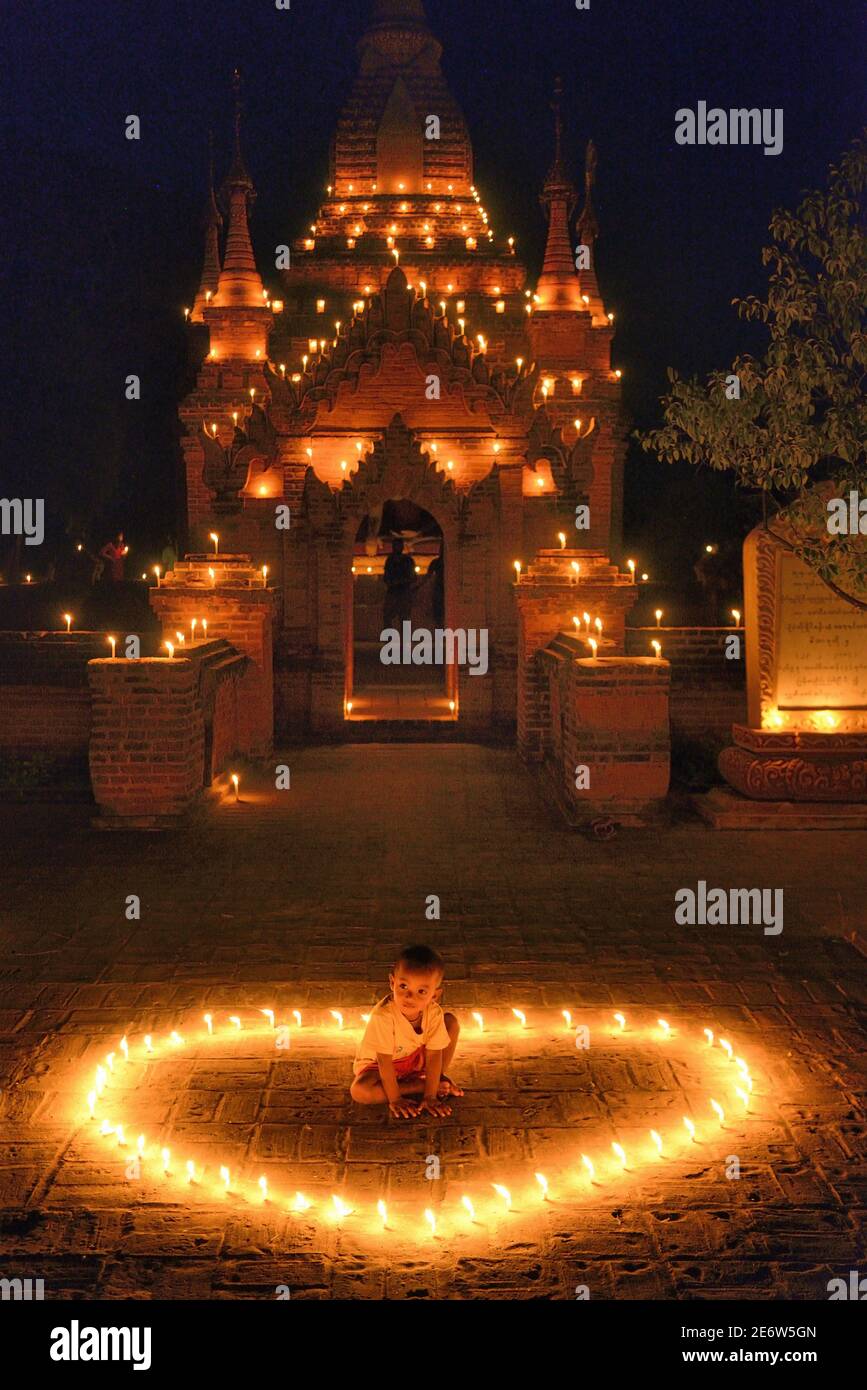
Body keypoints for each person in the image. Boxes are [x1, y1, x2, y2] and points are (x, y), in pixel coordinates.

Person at [350, 945, 462, 1118]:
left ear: (434, 995)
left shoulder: (433, 1012)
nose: (410, 997)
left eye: (421, 991)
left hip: (414, 1058)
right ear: (392, 983)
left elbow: (434, 1055)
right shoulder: (383, 1016)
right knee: (360, 1091)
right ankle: (420, 1085)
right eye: (403, 986)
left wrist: (430, 1097)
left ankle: (435, 1079)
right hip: (380, 1066)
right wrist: (395, 1099)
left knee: (451, 1023)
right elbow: (384, 1062)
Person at [382, 537, 416, 630]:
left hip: (404, 592)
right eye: (395, 546)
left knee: (404, 618)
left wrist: (401, 582)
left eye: (398, 545)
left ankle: (404, 642)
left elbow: (412, 577)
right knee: (387, 616)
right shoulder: (390, 560)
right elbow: (386, 575)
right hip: (393, 591)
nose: (397, 548)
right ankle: (389, 640)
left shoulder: (407, 560)